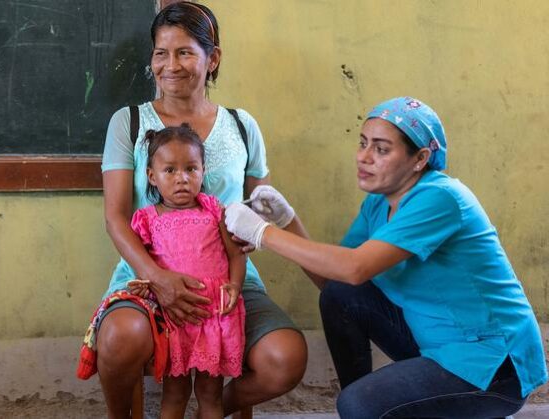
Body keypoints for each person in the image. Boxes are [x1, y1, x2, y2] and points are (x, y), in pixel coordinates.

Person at [225, 96, 548, 418]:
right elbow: (337, 280)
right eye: (363, 143)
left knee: (359, 404)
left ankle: (371, 407)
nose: (364, 157)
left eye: (381, 149)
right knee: (341, 298)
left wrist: (263, 232)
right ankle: (375, 407)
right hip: (437, 346)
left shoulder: (441, 197)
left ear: (420, 158)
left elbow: (354, 268)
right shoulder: (379, 203)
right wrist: (288, 222)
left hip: (493, 366)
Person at [90, 2, 308, 417]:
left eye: (185, 52)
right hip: (146, 277)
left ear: (213, 59)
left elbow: (259, 210)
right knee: (120, 339)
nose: (170, 65)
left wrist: (256, 234)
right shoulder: (129, 123)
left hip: (228, 284)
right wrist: (158, 279)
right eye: (160, 52)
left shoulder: (242, 126)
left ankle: (213, 409)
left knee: (285, 359)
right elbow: (116, 218)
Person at [125, 124, 246, 418]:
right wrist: (145, 285)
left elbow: (236, 254)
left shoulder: (214, 211)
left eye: (191, 169)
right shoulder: (147, 219)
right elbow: (143, 266)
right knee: (175, 394)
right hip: (175, 315)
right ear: (152, 176)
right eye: (170, 171)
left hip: (213, 313)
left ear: (203, 170)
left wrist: (235, 285)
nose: (182, 179)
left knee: (210, 394)